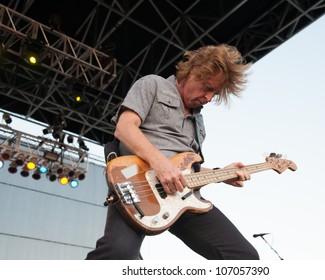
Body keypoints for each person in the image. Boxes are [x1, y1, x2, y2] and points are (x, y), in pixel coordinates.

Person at [86, 44, 259, 260]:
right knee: (118, 254)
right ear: (193, 71)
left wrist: (221, 173)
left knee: (244, 258)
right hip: (139, 188)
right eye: (207, 87)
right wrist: (160, 164)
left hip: (184, 198)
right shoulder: (153, 85)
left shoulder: (199, 123)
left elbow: (185, 167)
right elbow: (124, 128)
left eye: (214, 93)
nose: (208, 98)